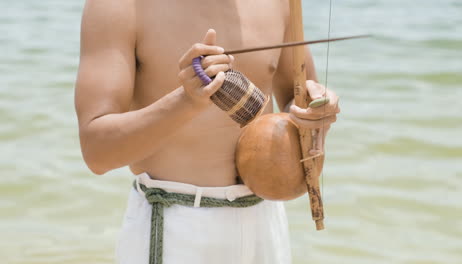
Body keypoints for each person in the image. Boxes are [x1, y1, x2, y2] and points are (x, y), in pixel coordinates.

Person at [75, 0, 340, 263]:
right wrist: (186, 101)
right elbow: (97, 152)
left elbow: (298, 99)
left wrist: (318, 110)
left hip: (265, 220)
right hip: (177, 223)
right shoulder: (118, 6)